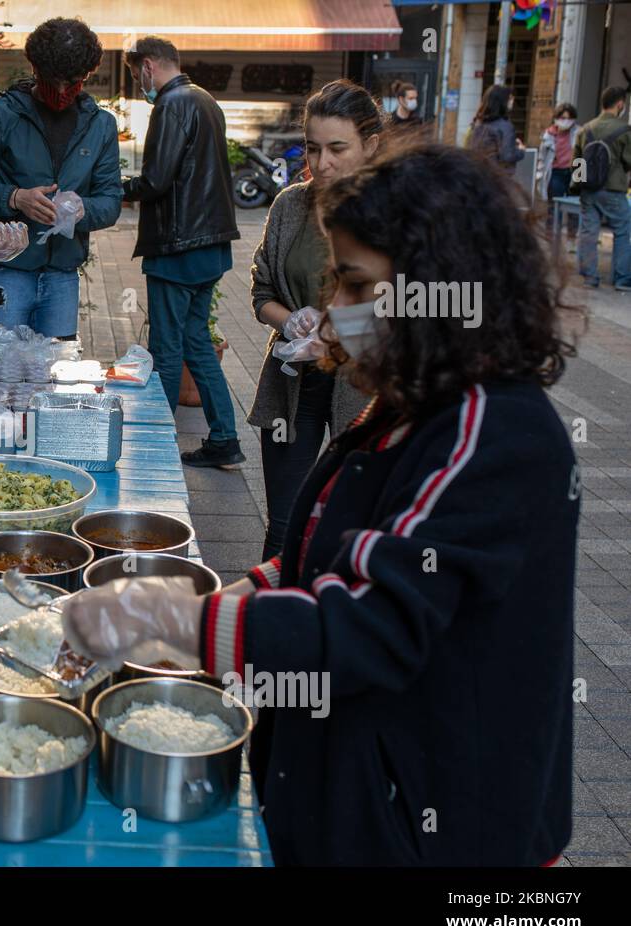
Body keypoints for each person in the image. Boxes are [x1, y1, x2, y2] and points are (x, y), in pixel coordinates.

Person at [64, 143, 579, 866]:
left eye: (361, 286)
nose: (338, 309)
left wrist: (181, 620)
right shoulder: (409, 404)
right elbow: (330, 551)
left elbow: (369, 622)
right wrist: (239, 592)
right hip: (358, 789)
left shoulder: (492, 432)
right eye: (339, 281)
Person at [247, 80, 378, 560]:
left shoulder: (398, 214)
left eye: (338, 149)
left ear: (372, 145)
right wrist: (292, 322)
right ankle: (270, 624)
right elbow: (261, 291)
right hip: (293, 381)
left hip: (365, 392)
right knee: (285, 527)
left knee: (349, 529)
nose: (322, 164)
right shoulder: (290, 205)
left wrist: (342, 333)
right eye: (314, 148)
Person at [0, 16, 122, 339]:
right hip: (6, 272)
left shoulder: (101, 127)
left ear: (87, 76)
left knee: (53, 380)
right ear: (34, 68)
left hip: (63, 278)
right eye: (50, 80)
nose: (60, 91)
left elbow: (111, 202)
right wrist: (15, 198)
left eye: (71, 82)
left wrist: (81, 210)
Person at [122, 36, 243, 467]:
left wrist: (115, 189)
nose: (139, 82)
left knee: (167, 348)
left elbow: (156, 180)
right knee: (196, 342)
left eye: (138, 74)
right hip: (209, 246)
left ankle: (155, 443)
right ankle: (225, 439)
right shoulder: (206, 99)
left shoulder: (171, 104)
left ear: (150, 66)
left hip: (177, 247)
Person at [575, 85, 631, 291]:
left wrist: (577, 188)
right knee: (623, 231)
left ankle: (590, 277)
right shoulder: (625, 130)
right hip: (614, 189)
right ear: (620, 104)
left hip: (589, 189)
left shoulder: (585, 129)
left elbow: (578, 161)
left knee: (589, 232)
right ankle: (622, 279)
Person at [537, 101, 580, 242]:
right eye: (562, 118)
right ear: (556, 118)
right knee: (554, 206)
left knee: (575, 206)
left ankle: (571, 238)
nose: (565, 121)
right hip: (555, 172)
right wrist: (540, 175)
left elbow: (583, 155)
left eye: (569, 118)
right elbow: (542, 157)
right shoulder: (548, 135)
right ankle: (552, 237)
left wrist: (582, 179)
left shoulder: (579, 133)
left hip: (574, 172)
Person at [468, 84, 525, 172]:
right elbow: (507, 156)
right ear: (502, 101)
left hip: (476, 173)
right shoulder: (505, 126)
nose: (512, 101)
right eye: (510, 98)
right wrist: (520, 151)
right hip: (496, 177)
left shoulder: (477, 123)